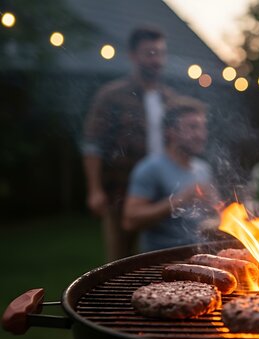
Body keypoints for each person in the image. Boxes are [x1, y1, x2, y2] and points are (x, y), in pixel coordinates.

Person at [82, 25, 178, 260]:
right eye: (150, 53)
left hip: (163, 192)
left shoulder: (170, 98)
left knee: (160, 257)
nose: (157, 60)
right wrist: (95, 190)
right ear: (133, 56)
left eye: (161, 53)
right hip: (121, 192)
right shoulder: (111, 95)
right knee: (121, 260)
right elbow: (92, 144)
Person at [122, 97, 216, 253]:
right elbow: (130, 220)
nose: (201, 135)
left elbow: (212, 213)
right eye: (193, 127)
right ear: (170, 132)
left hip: (200, 256)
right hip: (162, 258)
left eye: (202, 128)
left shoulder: (203, 168)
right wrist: (179, 199)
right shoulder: (150, 168)